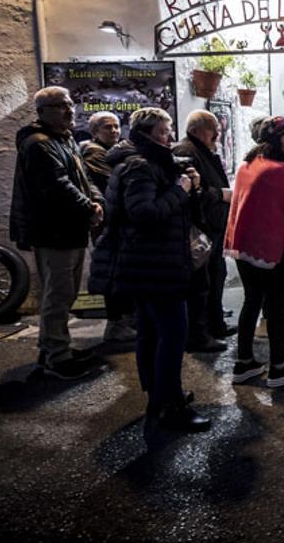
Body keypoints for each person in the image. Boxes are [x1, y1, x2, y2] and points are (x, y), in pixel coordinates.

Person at [89, 107, 211, 439]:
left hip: (153, 264)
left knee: (152, 333)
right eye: (164, 131)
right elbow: (144, 213)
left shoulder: (147, 162)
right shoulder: (139, 167)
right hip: (152, 266)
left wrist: (188, 186)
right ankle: (168, 406)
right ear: (147, 133)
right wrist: (181, 189)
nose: (169, 137)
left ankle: (159, 397)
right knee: (172, 335)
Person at [9, 86, 104, 380]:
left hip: (69, 228)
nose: (69, 110)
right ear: (41, 112)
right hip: (53, 230)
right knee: (59, 293)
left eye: (70, 104)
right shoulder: (39, 144)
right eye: (60, 106)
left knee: (66, 291)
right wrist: (89, 208)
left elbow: (83, 178)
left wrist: (97, 200)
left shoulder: (64, 140)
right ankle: (57, 357)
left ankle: (51, 347)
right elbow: (57, 185)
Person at [223, 116, 284, 387]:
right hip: (270, 248)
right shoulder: (281, 171)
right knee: (276, 305)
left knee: (251, 301)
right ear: (278, 141)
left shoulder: (246, 165)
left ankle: (244, 363)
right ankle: (278, 367)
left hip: (243, 246)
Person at [173, 110, 234, 350]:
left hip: (213, 225)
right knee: (201, 283)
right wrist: (220, 194)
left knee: (216, 276)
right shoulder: (186, 152)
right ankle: (199, 333)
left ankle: (215, 323)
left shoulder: (202, 150)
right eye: (212, 128)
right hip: (201, 227)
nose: (217, 133)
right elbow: (191, 191)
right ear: (197, 129)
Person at [79, 110, 137, 344]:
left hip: (115, 220)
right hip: (107, 221)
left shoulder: (113, 151)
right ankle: (116, 324)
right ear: (95, 132)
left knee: (122, 270)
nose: (114, 131)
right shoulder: (94, 152)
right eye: (107, 127)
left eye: (116, 126)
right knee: (114, 271)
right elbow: (115, 179)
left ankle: (125, 319)